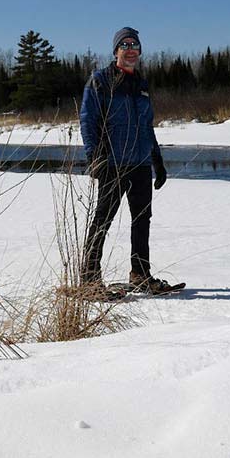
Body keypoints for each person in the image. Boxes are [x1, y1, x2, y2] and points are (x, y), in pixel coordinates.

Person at [78, 26, 172, 296]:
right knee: (103, 219)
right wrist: (94, 158)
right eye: (125, 45)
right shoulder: (100, 81)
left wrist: (157, 160)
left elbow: (147, 125)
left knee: (142, 220)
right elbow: (88, 121)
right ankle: (89, 279)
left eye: (135, 46)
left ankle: (140, 274)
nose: (130, 50)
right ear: (116, 51)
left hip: (140, 163)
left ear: (139, 52)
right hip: (112, 162)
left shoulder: (141, 86)